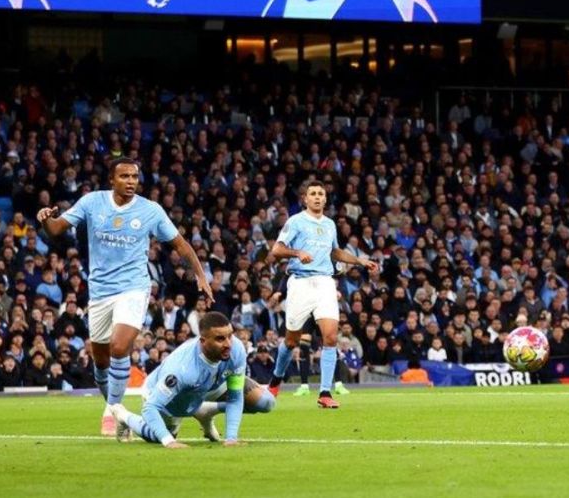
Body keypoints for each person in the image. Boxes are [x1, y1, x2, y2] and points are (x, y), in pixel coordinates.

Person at [37, 157, 213, 436]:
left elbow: (179, 243)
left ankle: (112, 410)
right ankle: (119, 413)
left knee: (119, 347)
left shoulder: (150, 210)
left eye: (134, 176)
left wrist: (201, 275)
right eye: (125, 176)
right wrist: (46, 220)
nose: (131, 181)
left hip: (133, 288)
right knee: (101, 362)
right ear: (112, 180)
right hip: (99, 292)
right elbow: (57, 229)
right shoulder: (92, 202)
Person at [267, 181, 378, 408]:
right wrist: (297, 252)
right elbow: (276, 250)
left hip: (325, 282)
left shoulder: (329, 225)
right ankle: (275, 381)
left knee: (330, 337)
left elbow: (334, 252)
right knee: (291, 341)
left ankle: (325, 393)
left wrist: (359, 260)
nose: (317, 197)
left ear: (325, 200)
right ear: (305, 199)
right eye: (313, 194)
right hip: (300, 283)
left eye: (321, 194)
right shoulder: (295, 221)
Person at [110, 312, 275, 448]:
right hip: (175, 395)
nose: (228, 344)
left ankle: (205, 410)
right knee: (157, 435)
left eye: (229, 336)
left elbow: (235, 396)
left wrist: (231, 438)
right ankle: (123, 415)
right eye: (220, 339)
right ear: (203, 341)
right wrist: (169, 442)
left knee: (265, 402)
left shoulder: (236, 350)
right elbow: (150, 407)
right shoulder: (182, 369)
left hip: (211, 386)